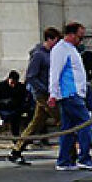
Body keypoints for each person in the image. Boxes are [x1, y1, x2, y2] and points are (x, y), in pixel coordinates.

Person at [49, 22, 92, 172]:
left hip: (74, 93)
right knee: (85, 123)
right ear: (71, 35)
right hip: (70, 94)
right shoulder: (61, 49)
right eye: (80, 37)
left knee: (68, 128)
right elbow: (55, 72)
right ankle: (84, 158)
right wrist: (53, 93)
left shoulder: (71, 49)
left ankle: (64, 160)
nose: (81, 40)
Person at [8, 27, 62, 165]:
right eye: (56, 41)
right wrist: (47, 90)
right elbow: (31, 76)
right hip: (44, 94)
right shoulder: (39, 55)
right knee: (62, 120)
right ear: (49, 39)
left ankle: (16, 150)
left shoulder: (49, 53)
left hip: (47, 93)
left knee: (36, 124)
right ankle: (70, 154)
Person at [0, 71, 31, 138]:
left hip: (16, 109)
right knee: (14, 117)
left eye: (15, 83)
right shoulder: (1, 87)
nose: (13, 85)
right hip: (5, 109)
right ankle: (16, 137)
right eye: (12, 83)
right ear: (8, 79)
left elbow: (24, 99)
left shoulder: (20, 87)